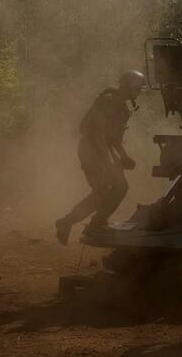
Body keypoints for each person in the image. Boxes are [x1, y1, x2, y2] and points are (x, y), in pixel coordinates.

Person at [55, 70, 146, 245]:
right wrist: (107, 160)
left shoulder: (121, 106)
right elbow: (97, 133)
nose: (139, 92)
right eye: (137, 88)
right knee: (103, 190)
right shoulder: (108, 101)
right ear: (127, 86)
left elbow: (114, 138)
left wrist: (124, 156)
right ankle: (68, 222)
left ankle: (95, 223)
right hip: (91, 149)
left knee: (120, 187)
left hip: (104, 150)